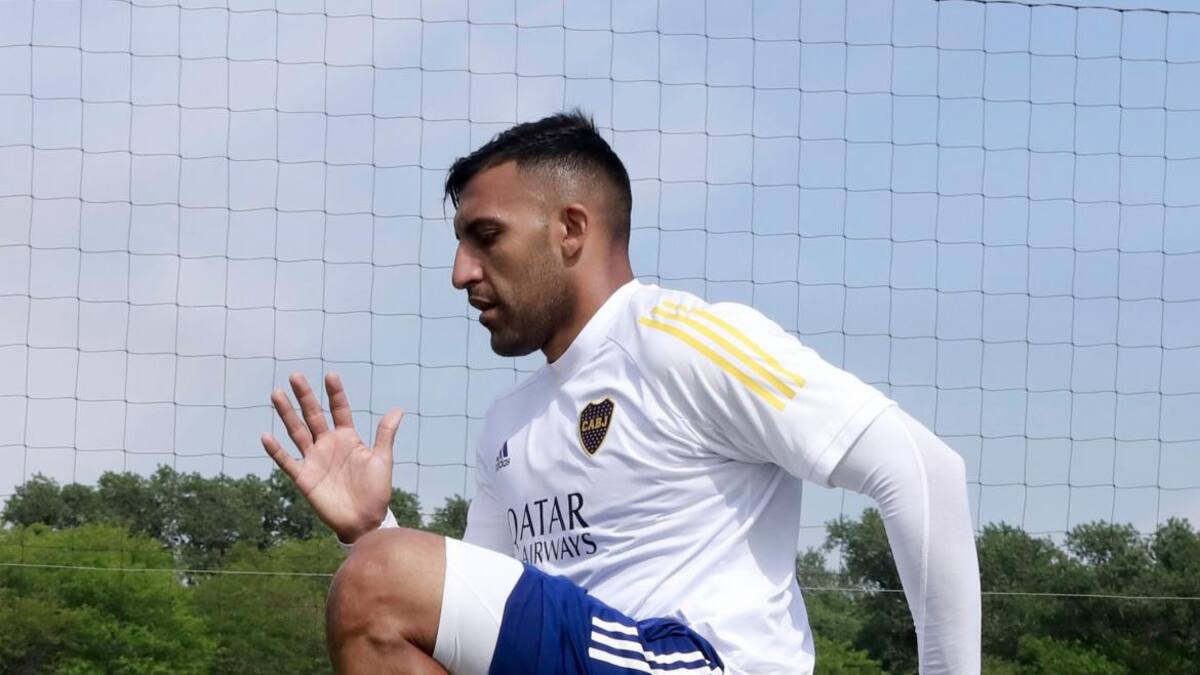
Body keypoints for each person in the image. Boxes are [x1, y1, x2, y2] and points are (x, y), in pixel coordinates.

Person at [262, 110, 982, 674]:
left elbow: (922, 471)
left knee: (379, 580)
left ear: (571, 229)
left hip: (697, 660)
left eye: (485, 236)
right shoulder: (508, 423)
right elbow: (473, 629)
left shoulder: (680, 339)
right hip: (594, 656)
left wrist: (382, 564)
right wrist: (373, 530)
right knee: (380, 577)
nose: (461, 272)